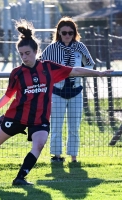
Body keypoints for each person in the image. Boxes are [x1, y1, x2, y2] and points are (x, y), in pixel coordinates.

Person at [0, 19, 113, 186]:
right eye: (21, 54)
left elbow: (74, 70)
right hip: (17, 116)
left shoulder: (48, 68)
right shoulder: (17, 73)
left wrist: (99, 73)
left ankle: (20, 178)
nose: (24, 57)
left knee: (38, 145)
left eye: (27, 53)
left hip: (39, 119)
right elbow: (8, 95)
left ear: (36, 51)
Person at [41, 16, 95, 163]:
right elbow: (41, 66)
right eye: (64, 32)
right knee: (56, 125)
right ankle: (56, 156)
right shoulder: (51, 48)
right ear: (58, 32)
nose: (67, 36)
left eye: (70, 33)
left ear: (74, 33)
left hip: (76, 91)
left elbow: (90, 65)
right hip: (57, 92)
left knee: (74, 126)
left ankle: (73, 156)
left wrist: (78, 73)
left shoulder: (80, 47)